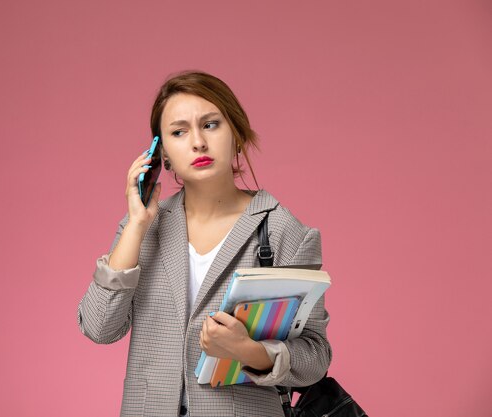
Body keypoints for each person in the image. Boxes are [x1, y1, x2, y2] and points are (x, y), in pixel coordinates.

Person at [77, 71, 331, 417]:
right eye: (179, 132)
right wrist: (136, 223)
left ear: (237, 135)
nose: (197, 142)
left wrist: (249, 351)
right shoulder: (143, 228)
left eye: (210, 125)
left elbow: (315, 356)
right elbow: (98, 327)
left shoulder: (285, 231)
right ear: (161, 153)